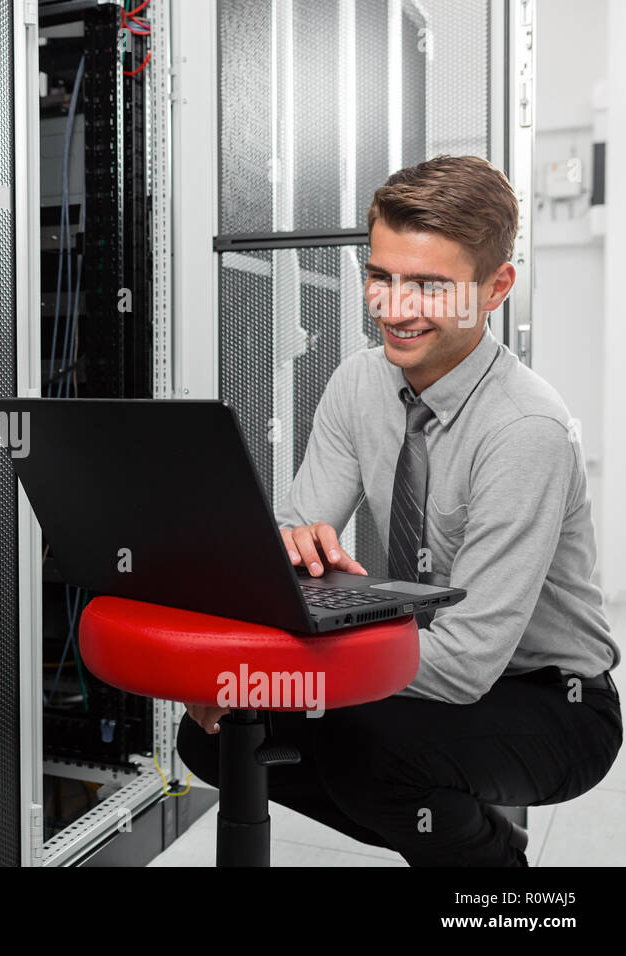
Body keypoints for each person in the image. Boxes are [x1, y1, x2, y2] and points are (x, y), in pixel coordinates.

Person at [176, 155, 622, 866]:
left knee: (367, 746)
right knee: (213, 736)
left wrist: (275, 672)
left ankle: (494, 874)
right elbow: (295, 538)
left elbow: (469, 663)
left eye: (430, 286)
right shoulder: (359, 382)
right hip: (412, 656)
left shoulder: (525, 429)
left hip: (553, 701)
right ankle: (463, 827)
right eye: (381, 276)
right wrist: (289, 556)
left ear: (495, 288)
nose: (395, 308)